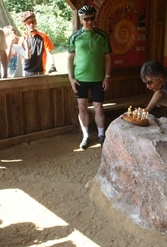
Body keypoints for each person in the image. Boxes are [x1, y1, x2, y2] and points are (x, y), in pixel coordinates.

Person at [67, 5, 112, 149]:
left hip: (98, 79)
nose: (89, 22)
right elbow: (69, 58)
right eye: (86, 19)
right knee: (82, 107)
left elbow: (108, 58)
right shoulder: (75, 36)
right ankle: (85, 136)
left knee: (99, 108)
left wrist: (107, 76)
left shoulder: (102, 35)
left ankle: (101, 135)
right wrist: (71, 79)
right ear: (80, 20)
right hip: (80, 78)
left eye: (92, 19)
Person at [20, 11, 57, 76]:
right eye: (29, 23)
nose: (31, 24)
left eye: (33, 22)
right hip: (26, 71)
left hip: (40, 72)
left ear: (36, 22)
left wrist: (52, 66)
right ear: (25, 24)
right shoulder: (22, 39)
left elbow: (49, 53)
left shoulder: (43, 36)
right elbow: (20, 56)